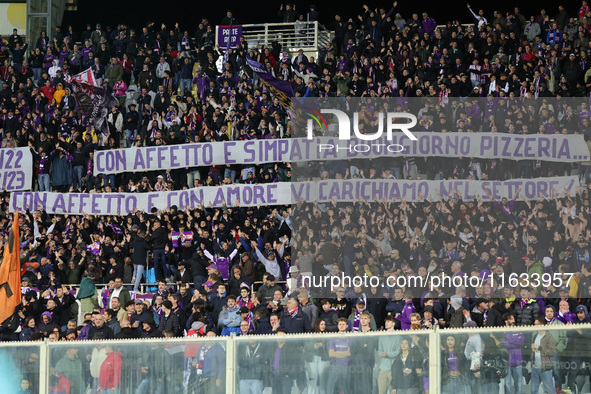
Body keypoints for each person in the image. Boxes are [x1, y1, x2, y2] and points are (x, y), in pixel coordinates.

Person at [530, 317, 556, 394]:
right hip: (535, 367)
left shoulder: (549, 336)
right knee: (533, 390)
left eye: (536, 324)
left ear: (541, 325)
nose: (534, 326)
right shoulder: (535, 336)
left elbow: (552, 351)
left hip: (545, 368)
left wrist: (540, 348)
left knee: (550, 390)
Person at [326, 318, 351, 394]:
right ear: (337, 326)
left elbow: (349, 353)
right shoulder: (333, 338)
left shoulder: (350, 338)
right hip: (335, 365)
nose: (341, 326)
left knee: (346, 387)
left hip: (346, 366)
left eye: (343, 324)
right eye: (340, 324)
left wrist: (337, 353)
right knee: (330, 386)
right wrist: (344, 353)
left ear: (347, 326)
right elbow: (331, 354)